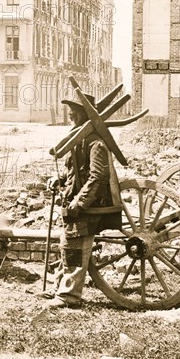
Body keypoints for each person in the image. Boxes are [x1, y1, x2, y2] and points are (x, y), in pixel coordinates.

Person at [43, 94, 123, 309]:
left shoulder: (96, 143)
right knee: (66, 245)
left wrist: (79, 203)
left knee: (75, 249)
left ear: (86, 115)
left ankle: (69, 296)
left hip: (90, 206)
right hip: (74, 202)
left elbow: (98, 177)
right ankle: (60, 286)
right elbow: (73, 172)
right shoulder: (78, 139)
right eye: (69, 109)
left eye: (74, 110)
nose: (70, 114)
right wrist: (57, 179)